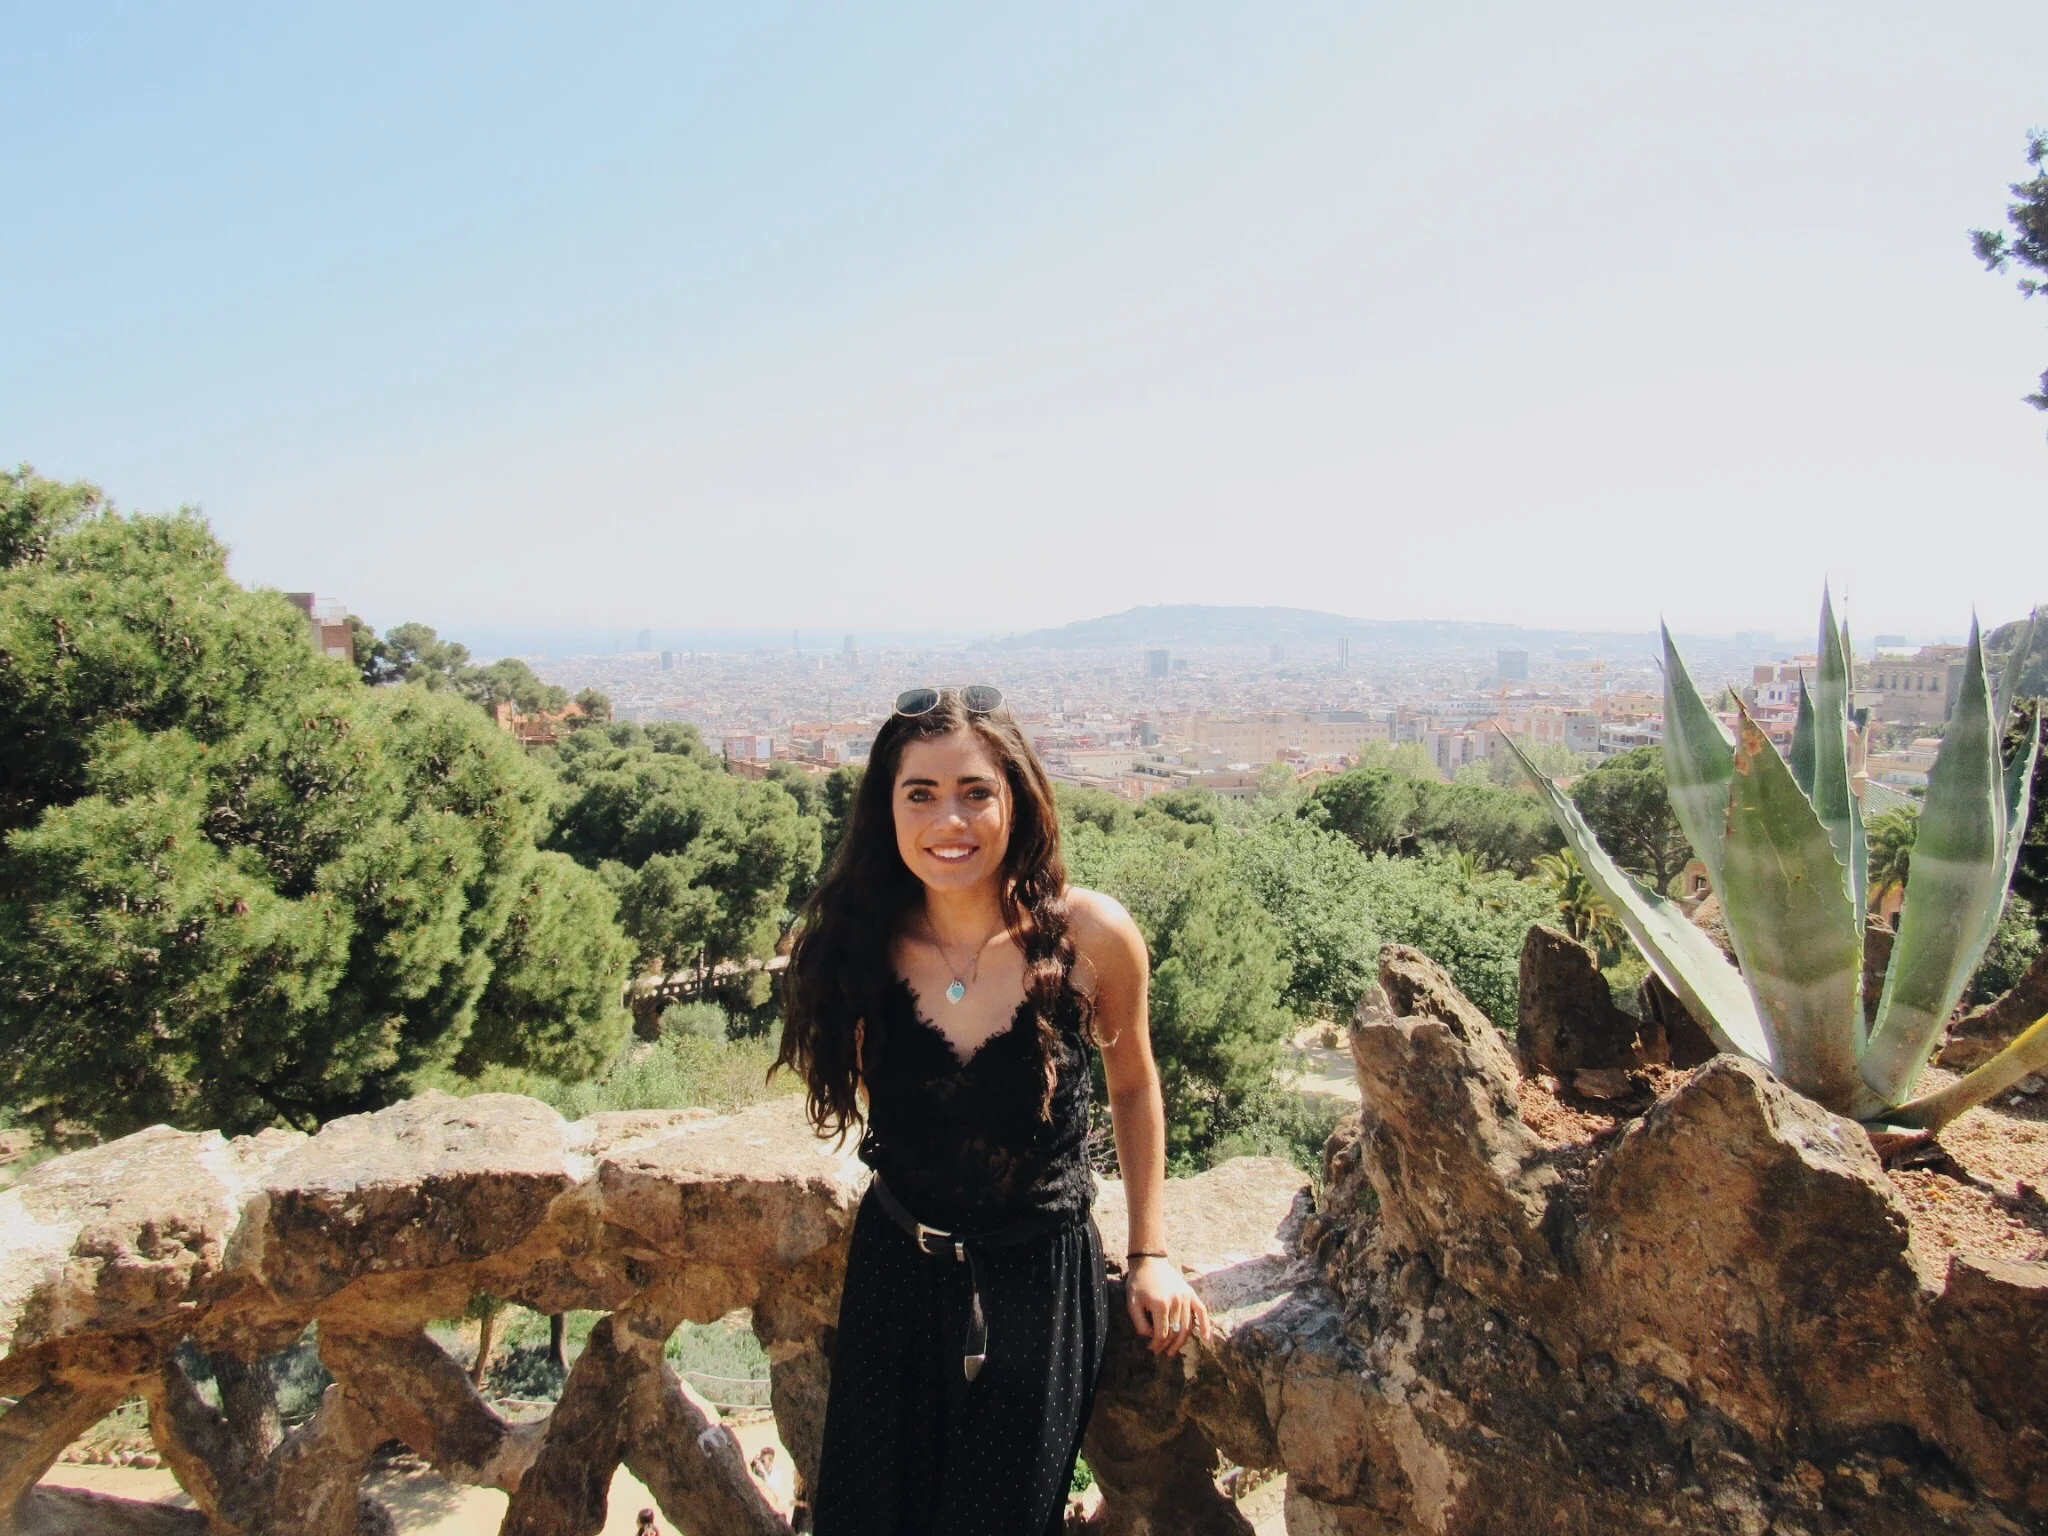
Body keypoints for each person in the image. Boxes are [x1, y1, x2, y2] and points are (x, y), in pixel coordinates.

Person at [776, 685, 1211, 1536]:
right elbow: (883, 1101)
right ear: (887, 808)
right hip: (895, 1274)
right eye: (922, 794)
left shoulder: (1090, 936)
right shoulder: (858, 950)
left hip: (1039, 1287)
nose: (952, 820)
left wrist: (1150, 1251)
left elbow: (1133, 1085)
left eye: (977, 792)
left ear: (1018, 799)